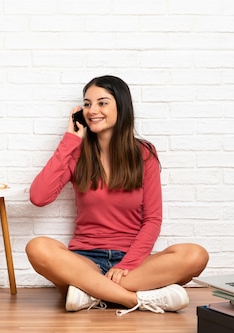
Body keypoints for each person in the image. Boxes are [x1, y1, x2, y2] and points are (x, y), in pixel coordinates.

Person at [25, 75, 209, 316]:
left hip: (134, 261)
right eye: (87, 104)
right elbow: (39, 197)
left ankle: (91, 293)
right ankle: (135, 300)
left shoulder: (144, 154)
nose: (93, 111)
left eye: (102, 103)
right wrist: (70, 141)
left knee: (195, 255)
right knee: (38, 247)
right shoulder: (75, 153)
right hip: (85, 260)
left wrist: (128, 264)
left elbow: (152, 219)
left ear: (121, 107)